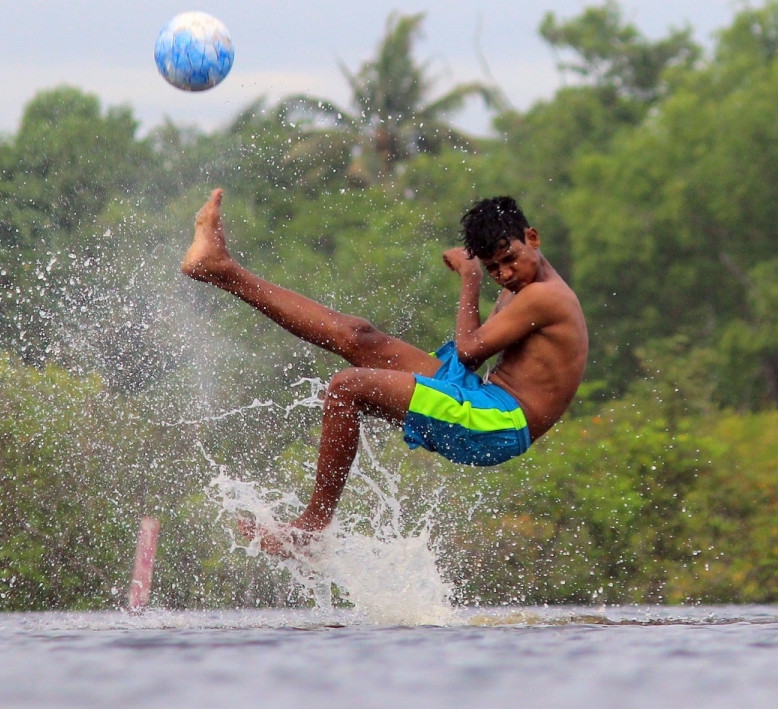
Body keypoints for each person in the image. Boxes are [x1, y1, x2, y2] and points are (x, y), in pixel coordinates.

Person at [182, 189, 588, 555]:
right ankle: (220, 268)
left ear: (532, 238)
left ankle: (311, 528)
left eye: (510, 259)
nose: (505, 273)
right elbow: (473, 358)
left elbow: (467, 352)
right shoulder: (521, 286)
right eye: (493, 266)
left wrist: (470, 276)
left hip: (497, 422)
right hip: (482, 398)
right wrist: (479, 275)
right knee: (359, 337)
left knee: (346, 388)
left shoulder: (544, 297)